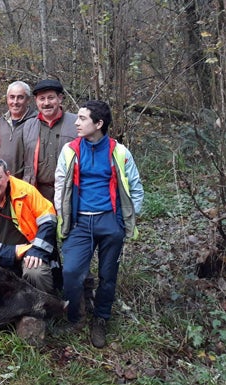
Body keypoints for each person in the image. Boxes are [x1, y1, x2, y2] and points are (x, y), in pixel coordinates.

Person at [54, 100, 144, 348]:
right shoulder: (70, 151)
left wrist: (123, 220)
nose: (76, 122)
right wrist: (64, 218)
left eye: (82, 118)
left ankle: (101, 319)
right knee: (71, 273)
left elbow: (136, 189)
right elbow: (60, 187)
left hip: (109, 222)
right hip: (79, 223)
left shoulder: (120, 152)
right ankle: (76, 317)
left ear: (99, 123)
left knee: (108, 276)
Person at [0, 157, 58, 290]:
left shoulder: (26, 191)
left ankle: (45, 307)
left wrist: (37, 250)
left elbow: (49, 220)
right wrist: (14, 252)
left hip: (30, 252)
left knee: (35, 273)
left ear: (8, 176)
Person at [20, 79, 77, 202]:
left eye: (51, 98)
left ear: (60, 98)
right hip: (37, 193)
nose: (46, 103)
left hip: (69, 192)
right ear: (36, 101)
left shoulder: (76, 123)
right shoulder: (28, 125)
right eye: (42, 98)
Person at [0, 81, 37, 179]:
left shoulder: (36, 122)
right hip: (3, 180)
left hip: (26, 182)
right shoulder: (0, 122)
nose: (15, 102)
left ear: (28, 99)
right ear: (7, 99)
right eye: (12, 97)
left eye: (20, 97)